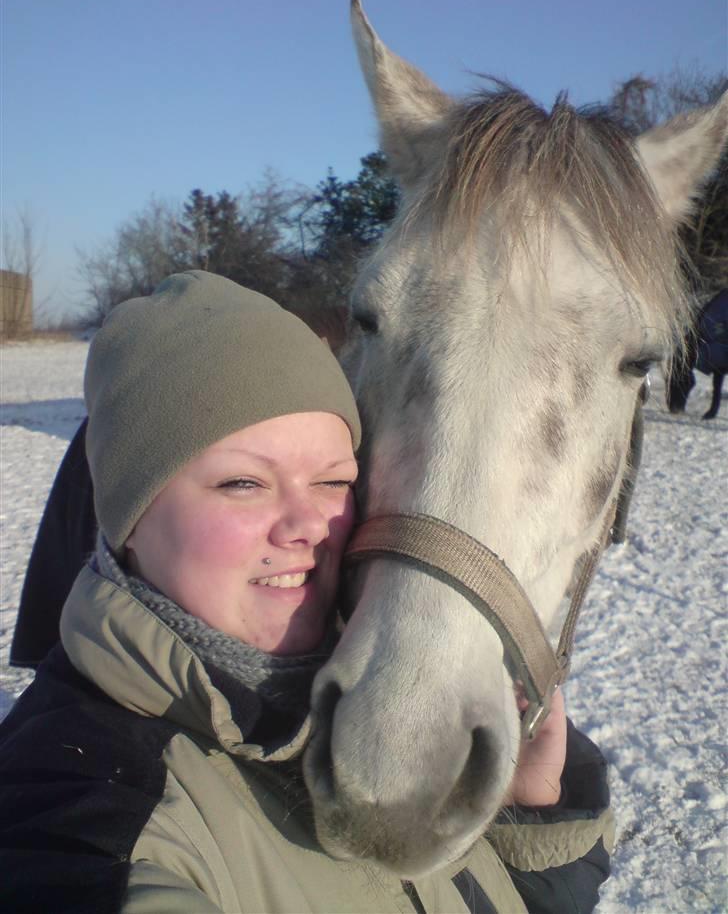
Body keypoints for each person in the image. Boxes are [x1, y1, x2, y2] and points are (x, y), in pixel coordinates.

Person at [0, 271, 613, 913]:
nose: (307, 528)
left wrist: (528, 818)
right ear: (129, 516)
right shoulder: (86, 810)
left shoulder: (359, 681)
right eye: (242, 482)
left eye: (332, 482)